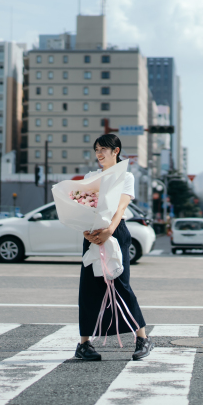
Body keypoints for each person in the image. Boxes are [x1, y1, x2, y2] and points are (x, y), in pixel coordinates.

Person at [75, 134, 152, 362]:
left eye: (103, 149)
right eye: (96, 149)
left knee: (121, 285)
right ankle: (84, 344)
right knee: (88, 288)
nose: (99, 154)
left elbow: (121, 208)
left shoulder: (126, 176)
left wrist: (109, 231)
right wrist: (85, 232)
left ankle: (143, 338)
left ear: (116, 150)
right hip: (92, 232)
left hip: (116, 232)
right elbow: (83, 209)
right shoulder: (91, 177)